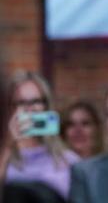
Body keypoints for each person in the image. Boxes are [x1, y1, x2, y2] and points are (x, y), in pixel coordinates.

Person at [0, 71, 80, 199]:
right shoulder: (4, 156)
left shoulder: (69, 161)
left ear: (47, 106)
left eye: (36, 101)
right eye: (21, 103)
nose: (30, 109)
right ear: (9, 109)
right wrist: (7, 146)